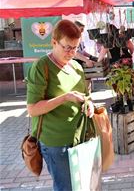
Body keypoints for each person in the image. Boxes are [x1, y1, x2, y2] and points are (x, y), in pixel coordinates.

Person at [26, 19, 95, 191]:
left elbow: (85, 96)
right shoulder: (42, 66)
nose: (71, 52)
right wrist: (64, 98)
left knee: (82, 186)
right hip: (55, 143)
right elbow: (33, 109)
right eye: (67, 47)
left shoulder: (76, 67)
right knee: (66, 187)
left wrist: (89, 105)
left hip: (80, 140)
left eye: (75, 47)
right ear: (54, 42)